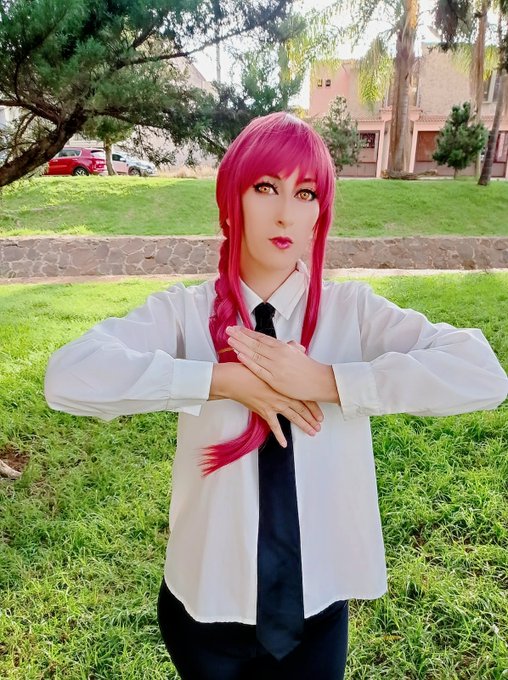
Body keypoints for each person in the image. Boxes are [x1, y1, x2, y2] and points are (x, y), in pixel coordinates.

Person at [44, 112, 508, 680]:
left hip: (315, 613)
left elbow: (483, 373)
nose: (286, 211)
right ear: (231, 200)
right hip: (205, 609)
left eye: (305, 193)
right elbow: (68, 376)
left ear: (319, 215)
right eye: (266, 187)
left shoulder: (351, 313)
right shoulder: (185, 313)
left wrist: (328, 381)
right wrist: (218, 381)